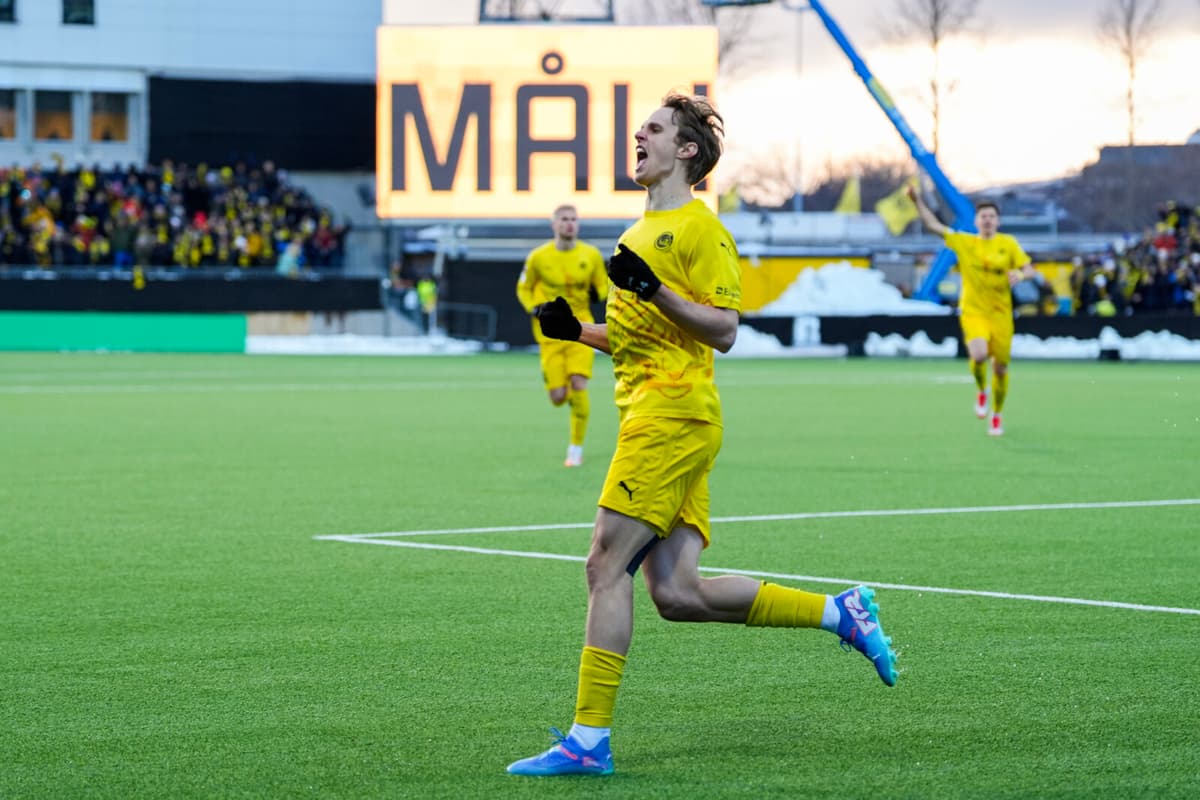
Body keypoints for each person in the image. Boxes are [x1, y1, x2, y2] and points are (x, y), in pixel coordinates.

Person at [507, 92, 898, 779]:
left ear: (686, 150)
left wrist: (654, 290)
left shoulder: (700, 229)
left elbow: (723, 330)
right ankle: (842, 613)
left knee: (604, 566)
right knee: (678, 595)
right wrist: (578, 332)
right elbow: (640, 340)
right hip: (658, 413)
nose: (640, 135)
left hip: (672, 417)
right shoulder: (636, 233)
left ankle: (588, 741)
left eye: (654, 129)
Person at [909, 186, 1035, 436]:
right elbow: (933, 226)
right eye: (983, 216)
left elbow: (1029, 269)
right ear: (976, 221)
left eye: (992, 216)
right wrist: (917, 201)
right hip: (974, 310)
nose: (987, 220)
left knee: (1000, 368)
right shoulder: (965, 242)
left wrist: (1020, 275)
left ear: (998, 221)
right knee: (979, 355)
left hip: (1001, 313)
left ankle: (996, 414)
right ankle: (981, 389)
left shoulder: (1008, 244)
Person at [516, 204, 609, 467]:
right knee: (558, 397)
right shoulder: (538, 257)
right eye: (564, 219)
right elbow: (523, 288)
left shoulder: (590, 254)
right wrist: (534, 308)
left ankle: (575, 449)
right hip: (550, 335)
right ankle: (570, 400)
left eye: (573, 219)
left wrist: (597, 294)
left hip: (581, 329)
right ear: (554, 224)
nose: (569, 223)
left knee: (579, 383)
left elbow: (603, 285)